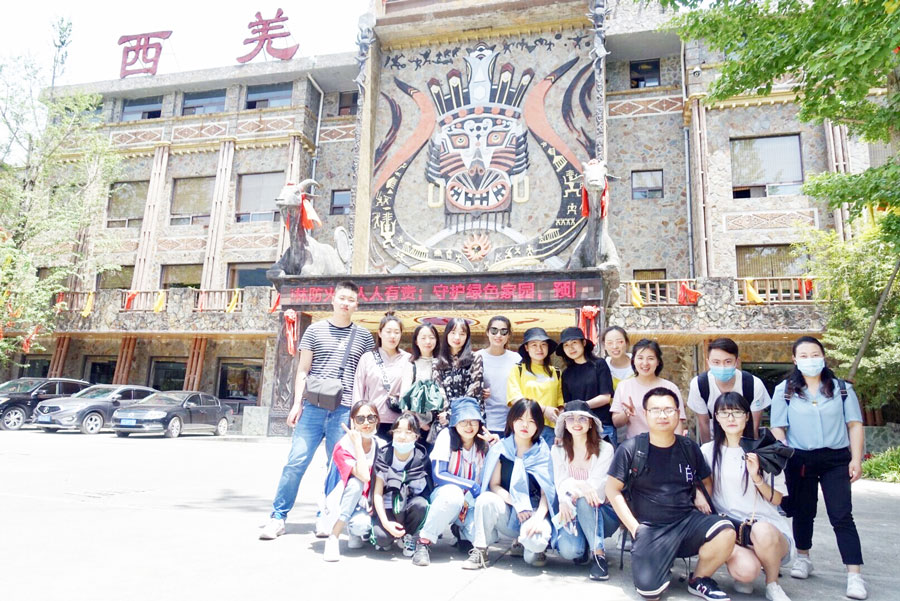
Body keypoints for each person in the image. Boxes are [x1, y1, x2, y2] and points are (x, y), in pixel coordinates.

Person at [260, 281, 375, 540]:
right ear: (333, 300)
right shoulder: (314, 330)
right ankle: (278, 517)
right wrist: (296, 404)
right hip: (312, 408)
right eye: (342, 298)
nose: (346, 303)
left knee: (337, 466)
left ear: (357, 305)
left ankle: (326, 515)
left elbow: (366, 376)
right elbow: (303, 370)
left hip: (344, 410)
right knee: (295, 462)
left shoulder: (364, 336)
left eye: (351, 300)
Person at [606, 387, 736, 601]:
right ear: (645, 414)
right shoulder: (631, 448)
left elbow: (705, 481)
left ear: (678, 413)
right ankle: (660, 563)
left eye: (669, 410)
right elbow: (612, 489)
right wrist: (635, 528)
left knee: (726, 530)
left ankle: (699, 579)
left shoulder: (688, 447)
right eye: (655, 410)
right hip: (650, 529)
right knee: (650, 592)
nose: (663, 415)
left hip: (686, 523)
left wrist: (699, 493)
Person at [770, 336, 867, 600]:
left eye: (815, 355)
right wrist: (784, 451)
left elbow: (854, 424)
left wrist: (856, 459)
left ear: (823, 357)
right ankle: (803, 557)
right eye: (804, 355)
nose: (810, 360)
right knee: (803, 511)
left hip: (836, 458)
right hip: (800, 458)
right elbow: (778, 425)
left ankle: (854, 574)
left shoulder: (842, 389)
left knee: (841, 514)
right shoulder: (784, 390)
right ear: (795, 360)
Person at [700, 392, 795, 601]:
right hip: (732, 530)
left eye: (737, 412)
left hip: (768, 531)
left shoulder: (766, 450)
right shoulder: (707, 452)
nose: (731, 418)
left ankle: (772, 584)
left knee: (762, 530)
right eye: (724, 413)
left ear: (747, 416)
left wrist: (756, 477)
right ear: (716, 418)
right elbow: (700, 487)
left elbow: (777, 500)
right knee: (745, 573)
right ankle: (749, 564)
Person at [463, 399, 556, 570]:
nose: (525, 425)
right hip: (509, 510)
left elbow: (547, 494)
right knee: (485, 499)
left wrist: (537, 519)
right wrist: (517, 503)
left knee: (534, 549)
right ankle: (480, 550)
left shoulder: (543, 452)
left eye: (531, 421)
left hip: (534, 512)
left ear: (538, 425)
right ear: (512, 421)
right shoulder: (501, 449)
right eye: (520, 419)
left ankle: (533, 548)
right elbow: (494, 485)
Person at [415, 396, 494, 566]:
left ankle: (461, 531)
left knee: (487, 536)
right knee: (453, 495)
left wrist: (496, 447)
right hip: (446, 496)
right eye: (463, 421)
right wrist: (469, 485)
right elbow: (439, 474)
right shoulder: (446, 436)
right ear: (455, 422)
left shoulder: (484, 443)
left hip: (471, 502)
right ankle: (423, 542)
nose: (469, 426)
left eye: (473, 421)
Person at [551, 400, 619, 581]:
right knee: (570, 551)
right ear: (564, 424)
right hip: (571, 512)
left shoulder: (605, 449)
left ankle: (598, 555)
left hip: (602, 513)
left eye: (582, 418)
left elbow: (596, 489)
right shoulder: (557, 450)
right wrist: (573, 491)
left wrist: (571, 491)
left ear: (590, 424)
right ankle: (585, 545)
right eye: (570, 419)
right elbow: (560, 483)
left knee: (585, 499)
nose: (576, 423)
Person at [320, 400, 382, 562]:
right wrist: (358, 445)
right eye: (360, 419)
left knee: (363, 526)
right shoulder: (343, 446)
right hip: (340, 501)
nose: (366, 423)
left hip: (366, 503)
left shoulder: (380, 445)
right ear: (353, 421)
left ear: (377, 420)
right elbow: (364, 476)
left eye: (371, 418)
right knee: (356, 484)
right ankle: (334, 536)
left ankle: (356, 532)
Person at [371, 412, 432, 556]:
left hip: (409, 506)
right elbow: (377, 494)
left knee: (421, 504)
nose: (402, 436)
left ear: (416, 436)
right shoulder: (384, 456)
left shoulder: (421, 458)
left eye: (408, 432)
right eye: (398, 431)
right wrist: (386, 523)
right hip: (387, 506)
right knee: (382, 539)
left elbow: (426, 493)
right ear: (392, 433)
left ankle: (409, 535)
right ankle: (386, 532)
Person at [687, 338, 771, 443]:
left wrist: (749, 449)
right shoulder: (699, 385)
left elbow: (754, 425)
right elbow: (703, 423)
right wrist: (707, 450)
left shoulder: (754, 384)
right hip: (715, 441)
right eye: (716, 362)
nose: (722, 367)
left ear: (737, 362)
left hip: (744, 441)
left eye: (728, 361)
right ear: (708, 362)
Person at [611, 339, 686, 440]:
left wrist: (676, 446)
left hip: (665, 444)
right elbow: (616, 422)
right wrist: (626, 413)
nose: (645, 363)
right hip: (636, 445)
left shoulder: (670, 388)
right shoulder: (624, 386)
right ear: (633, 361)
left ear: (658, 361)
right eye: (640, 358)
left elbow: (678, 423)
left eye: (650, 358)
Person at [352, 312, 411, 439]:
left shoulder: (407, 359)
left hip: (399, 423)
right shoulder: (367, 358)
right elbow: (358, 390)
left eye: (396, 332)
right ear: (379, 333)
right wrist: (356, 419)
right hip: (370, 421)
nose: (392, 336)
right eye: (388, 331)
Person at [557, 326, 616, 446]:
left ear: (583, 343)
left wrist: (581, 406)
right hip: (578, 428)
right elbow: (568, 405)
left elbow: (605, 397)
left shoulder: (599, 364)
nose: (571, 348)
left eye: (574, 342)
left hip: (602, 426)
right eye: (566, 345)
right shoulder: (566, 373)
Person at [507, 327, 563, 447]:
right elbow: (516, 399)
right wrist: (543, 410)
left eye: (543, 344)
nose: (539, 349)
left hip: (550, 430)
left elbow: (560, 404)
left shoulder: (556, 372)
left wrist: (561, 430)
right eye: (534, 345)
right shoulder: (518, 370)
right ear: (526, 348)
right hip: (525, 427)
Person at [434, 318, 484, 434]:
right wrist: (446, 413)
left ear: (467, 337)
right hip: (445, 419)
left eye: (462, 334)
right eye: (453, 333)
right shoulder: (437, 362)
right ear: (446, 334)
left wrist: (453, 414)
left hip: (470, 417)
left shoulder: (475, 358)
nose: (457, 337)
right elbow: (438, 390)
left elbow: (475, 389)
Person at [475, 316, 521, 436]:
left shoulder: (516, 359)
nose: (498, 335)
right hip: (483, 421)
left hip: (511, 422)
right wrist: (478, 391)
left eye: (503, 331)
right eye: (494, 331)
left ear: (509, 335)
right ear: (487, 332)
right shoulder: (476, 357)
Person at [400, 323, 442, 441]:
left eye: (432, 337)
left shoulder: (443, 363)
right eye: (423, 338)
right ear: (416, 341)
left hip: (440, 423)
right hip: (418, 426)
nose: (428, 341)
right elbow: (404, 399)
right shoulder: (411, 364)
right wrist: (420, 423)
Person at [603, 326, 633, 391]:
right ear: (604, 346)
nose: (615, 346)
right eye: (610, 343)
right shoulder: (603, 367)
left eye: (620, 342)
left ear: (627, 343)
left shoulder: (638, 363)